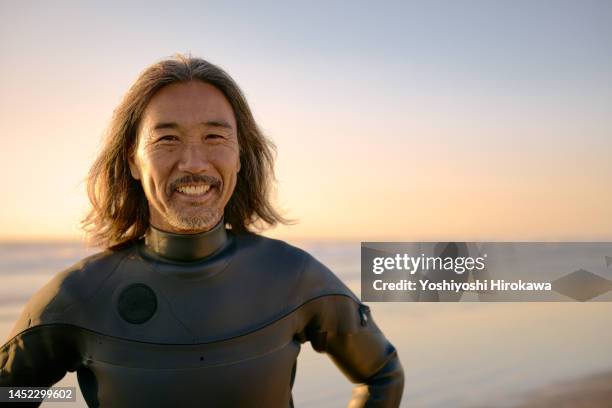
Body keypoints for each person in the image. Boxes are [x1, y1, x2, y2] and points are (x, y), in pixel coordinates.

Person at [0, 55, 404, 407]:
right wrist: (65, 397)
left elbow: (382, 375)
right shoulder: (77, 297)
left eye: (215, 136)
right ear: (134, 163)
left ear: (240, 155)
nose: (194, 163)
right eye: (167, 139)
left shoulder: (294, 278)